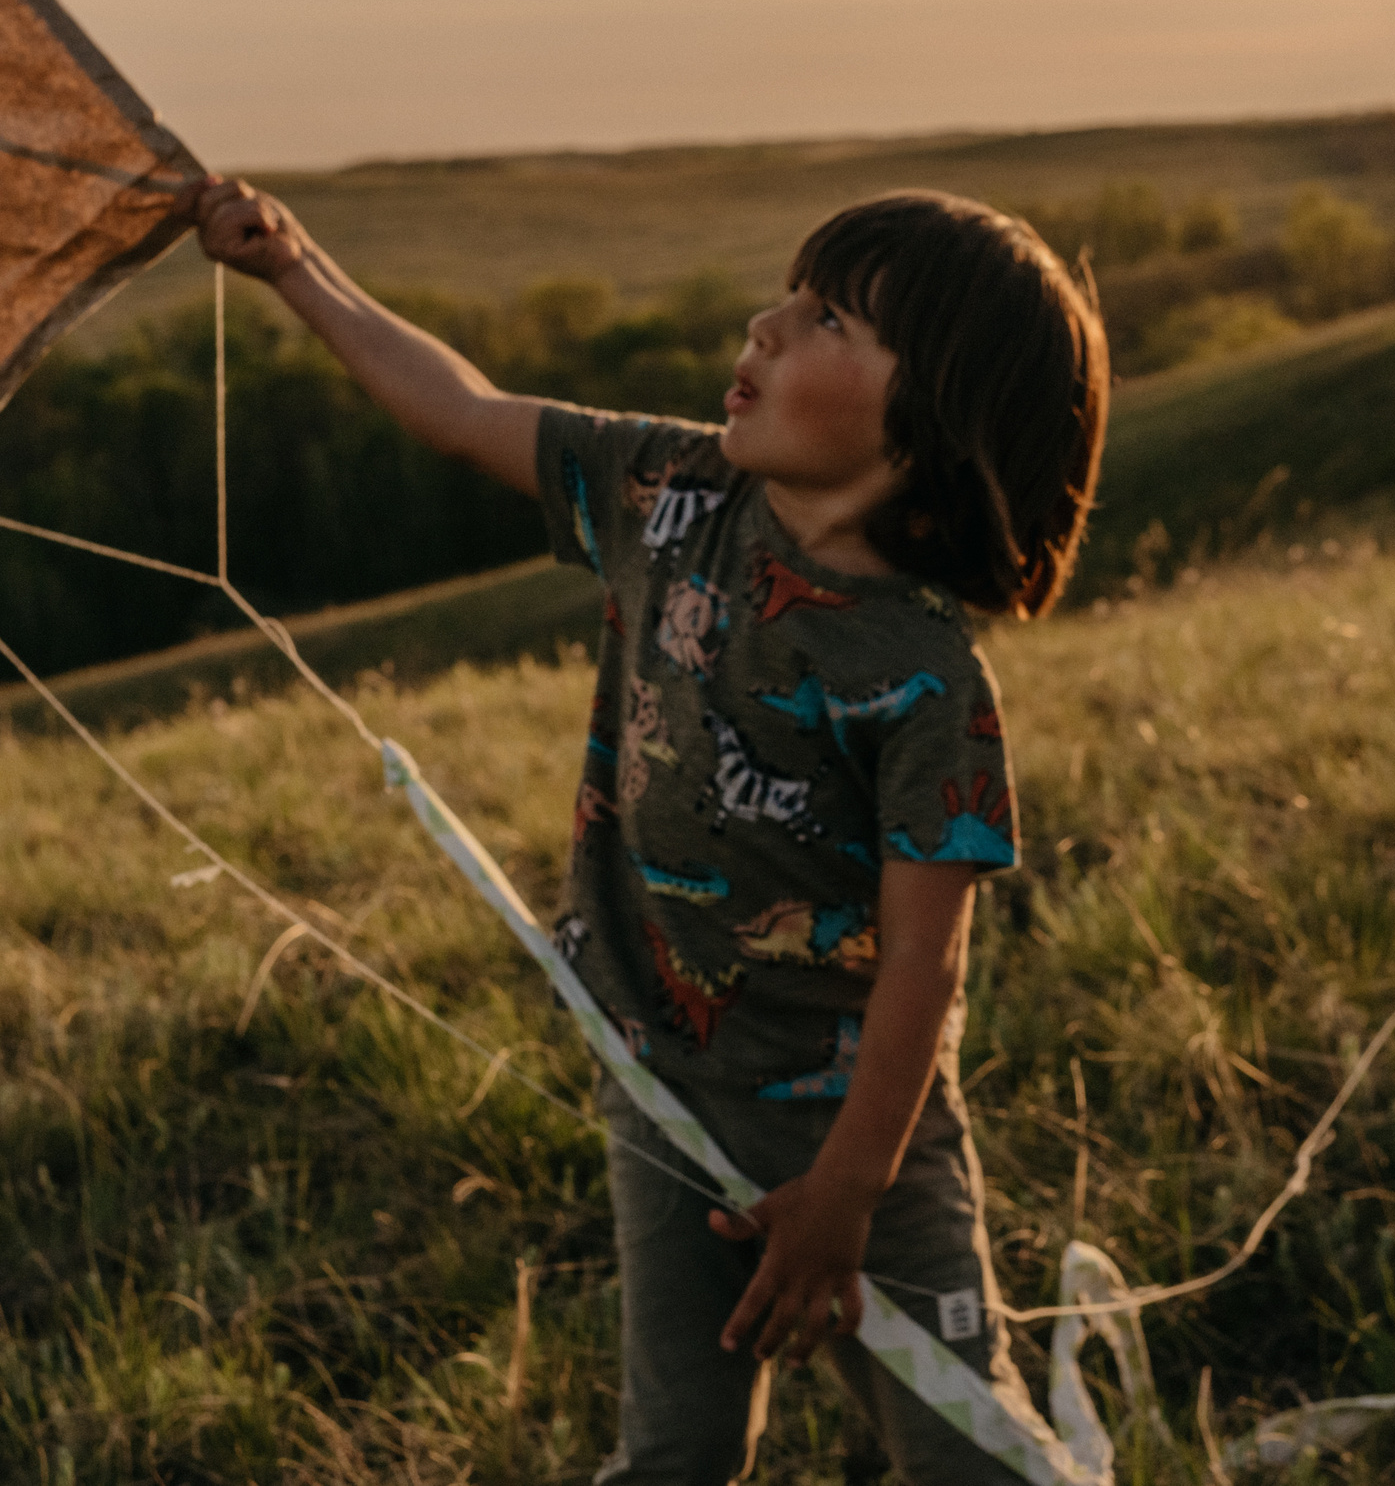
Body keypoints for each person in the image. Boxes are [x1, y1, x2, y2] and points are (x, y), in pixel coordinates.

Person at [193, 181, 1110, 1485]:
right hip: (660, 1078)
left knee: (968, 1452)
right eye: (786, 296)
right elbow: (461, 412)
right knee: (675, 1451)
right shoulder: (663, 491)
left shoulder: (923, 676)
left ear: (932, 420)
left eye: (827, 316)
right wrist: (294, 268)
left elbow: (926, 965)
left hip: (857, 1132)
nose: (764, 324)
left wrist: (846, 1195)